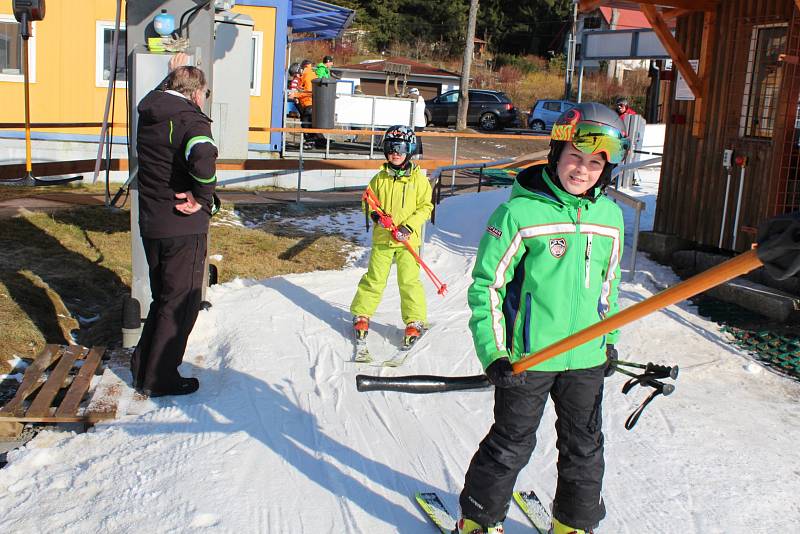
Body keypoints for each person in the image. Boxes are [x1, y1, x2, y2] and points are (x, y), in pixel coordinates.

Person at [455, 102, 630, 534]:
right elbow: (487, 287)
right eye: (575, 157)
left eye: (594, 163)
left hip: (585, 357)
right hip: (528, 358)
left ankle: (573, 523)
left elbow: (611, 284)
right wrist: (494, 352)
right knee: (512, 443)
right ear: (556, 154)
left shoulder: (610, 217)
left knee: (585, 446)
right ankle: (479, 520)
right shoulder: (518, 214)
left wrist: (608, 340)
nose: (582, 170)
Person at [131, 53, 219, 398]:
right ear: (196, 94)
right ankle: (161, 377)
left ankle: (145, 368)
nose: (204, 101)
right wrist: (202, 197)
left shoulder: (151, 110)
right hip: (183, 225)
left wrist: (171, 76)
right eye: (205, 94)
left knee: (162, 299)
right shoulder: (190, 120)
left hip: (152, 221)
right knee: (181, 302)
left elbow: (157, 97)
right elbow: (203, 157)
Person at [350, 125, 433, 347]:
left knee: (408, 281)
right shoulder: (379, 178)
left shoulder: (419, 180)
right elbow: (368, 202)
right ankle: (362, 314)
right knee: (374, 278)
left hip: (407, 241)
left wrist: (408, 227)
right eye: (391, 147)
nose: (395, 153)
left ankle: (414, 319)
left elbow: (426, 207)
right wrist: (377, 217)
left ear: (410, 150)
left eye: (400, 148)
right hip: (384, 239)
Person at [297, 59, 324, 150]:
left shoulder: (307, 76)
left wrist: (296, 94)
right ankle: (320, 141)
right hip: (310, 102)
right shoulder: (310, 74)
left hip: (309, 102)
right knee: (311, 124)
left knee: (306, 124)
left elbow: (308, 91)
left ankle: (311, 141)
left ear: (303, 67)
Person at [409, 88, 426, 158]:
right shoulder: (422, 99)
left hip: (417, 123)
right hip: (421, 123)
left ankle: (417, 154)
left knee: (416, 139)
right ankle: (420, 154)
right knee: (418, 138)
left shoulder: (416, 100)